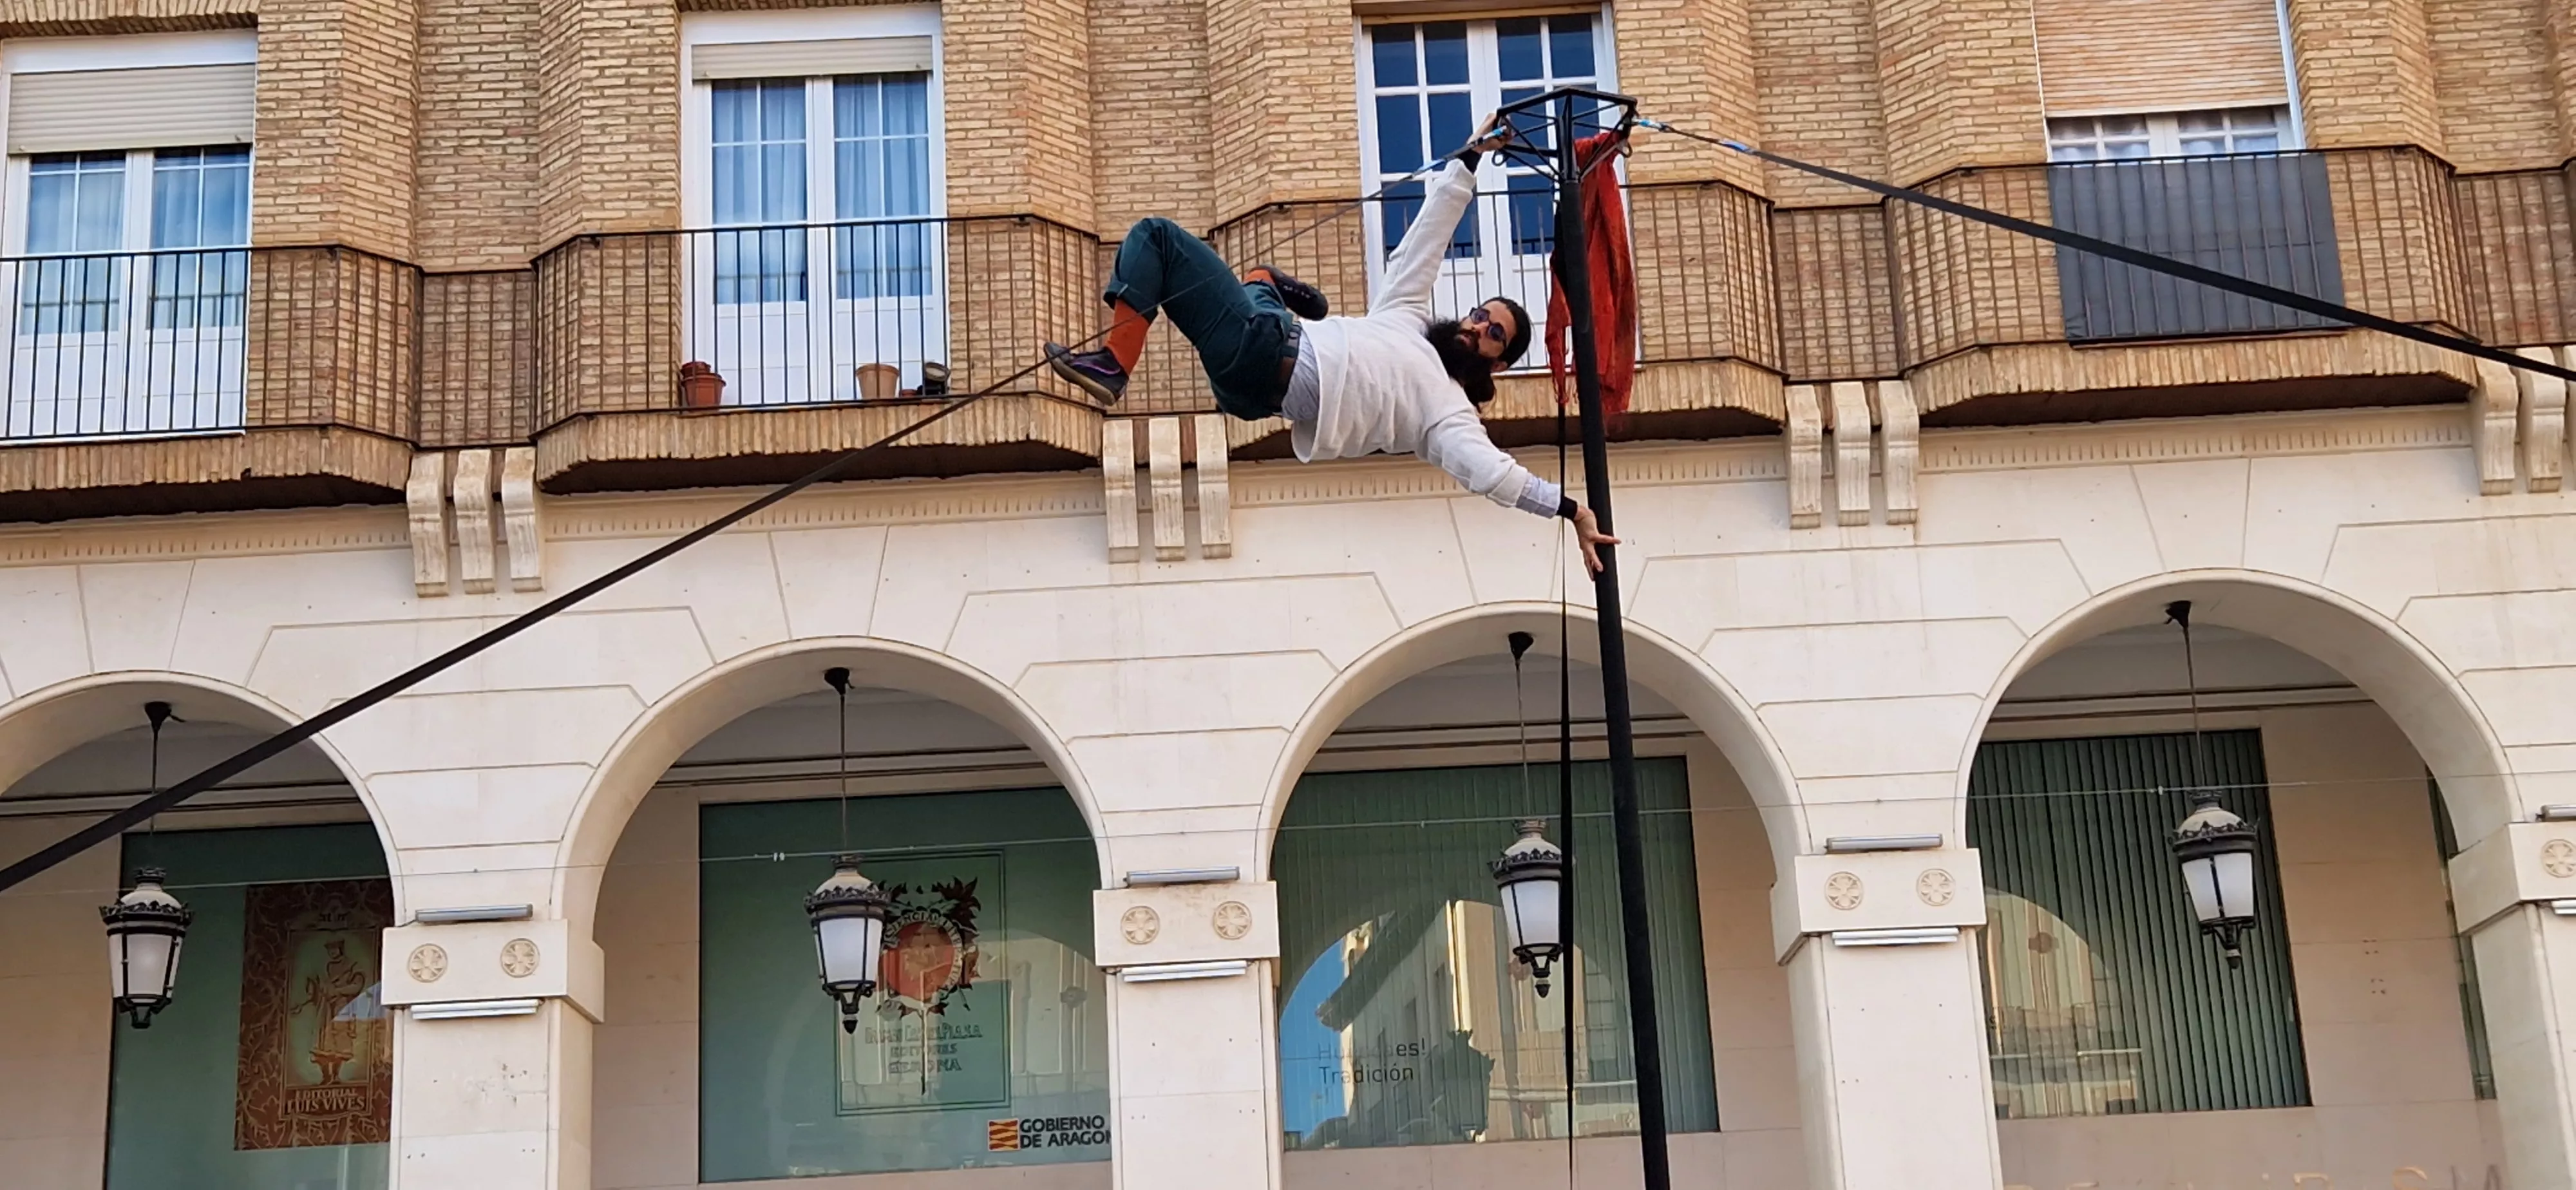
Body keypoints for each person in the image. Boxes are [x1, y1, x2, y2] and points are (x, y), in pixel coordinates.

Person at [1046, 114, 1618, 572]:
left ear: (1499, 362)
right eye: (1478, 315)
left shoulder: (1449, 414)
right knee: (1247, 282)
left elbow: (1494, 475)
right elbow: (1430, 234)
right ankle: (1276, 290)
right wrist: (1469, 158)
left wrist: (1571, 511)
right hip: (1257, 359)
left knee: (1159, 237)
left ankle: (1114, 365)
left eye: (1494, 334)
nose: (1475, 327)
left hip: (1264, 358)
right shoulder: (1406, 318)